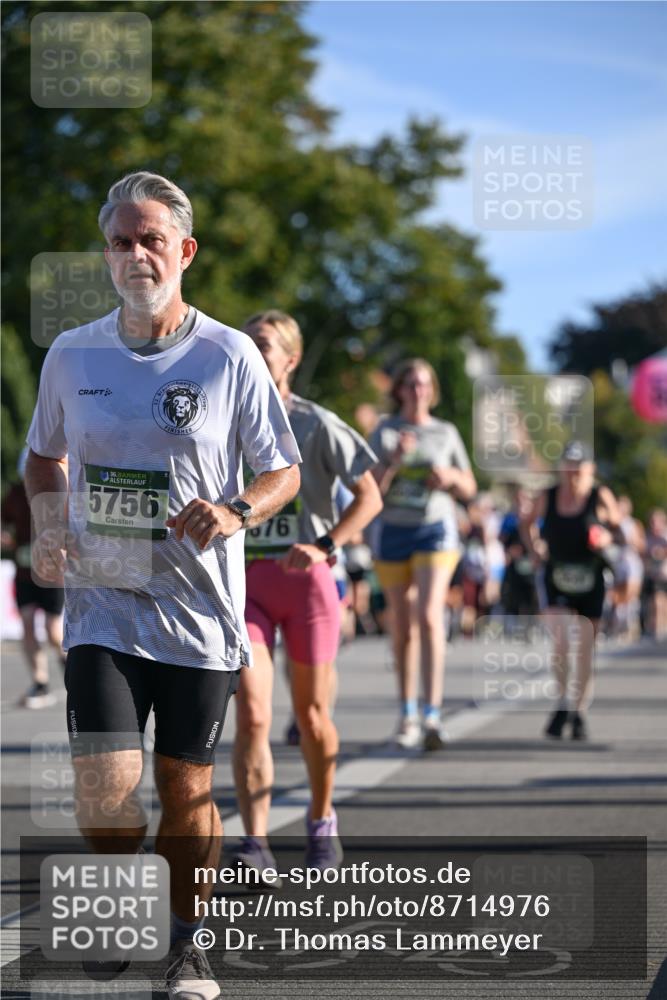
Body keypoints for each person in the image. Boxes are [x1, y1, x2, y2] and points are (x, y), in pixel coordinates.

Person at [24, 172, 301, 1000]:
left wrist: (236, 508)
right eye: (120, 241)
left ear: (183, 251)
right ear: (106, 256)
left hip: (199, 613)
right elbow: (43, 456)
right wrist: (47, 529)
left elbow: (281, 469)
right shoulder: (73, 354)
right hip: (103, 609)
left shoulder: (228, 353)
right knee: (104, 792)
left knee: (185, 789)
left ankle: (187, 944)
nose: (135, 254)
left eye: (151, 239)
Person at [232, 310, 382, 877]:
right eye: (245, 342)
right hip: (244, 585)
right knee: (251, 713)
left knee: (313, 715)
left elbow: (368, 497)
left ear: (290, 359)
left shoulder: (316, 424)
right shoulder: (223, 420)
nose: (252, 350)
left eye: (263, 345)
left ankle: (321, 820)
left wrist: (326, 544)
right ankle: (255, 842)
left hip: (307, 585)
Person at [369, 358, 476, 751]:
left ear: (432, 390)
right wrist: (394, 460)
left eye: (425, 384)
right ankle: (407, 710)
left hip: (435, 529)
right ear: (399, 389)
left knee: (430, 614)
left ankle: (432, 712)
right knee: (402, 624)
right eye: (411, 384)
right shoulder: (384, 430)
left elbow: (469, 485)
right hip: (393, 531)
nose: (419, 390)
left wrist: (449, 478)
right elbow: (369, 488)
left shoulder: (444, 433)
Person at [521, 440, 620, 741]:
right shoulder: (548, 496)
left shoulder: (599, 495)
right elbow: (526, 524)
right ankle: (563, 701)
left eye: (580, 465)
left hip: (591, 577)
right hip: (556, 575)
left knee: (586, 647)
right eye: (569, 464)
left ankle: (579, 710)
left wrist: (604, 537)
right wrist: (534, 548)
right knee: (561, 641)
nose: (574, 471)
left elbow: (618, 526)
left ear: (590, 469)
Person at [1, 449, 65, 707]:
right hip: (24, 570)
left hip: (51, 573)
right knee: (27, 622)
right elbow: (4, 523)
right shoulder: (15, 493)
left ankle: (69, 668)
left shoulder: (56, 492)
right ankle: (39, 682)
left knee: (52, 630)